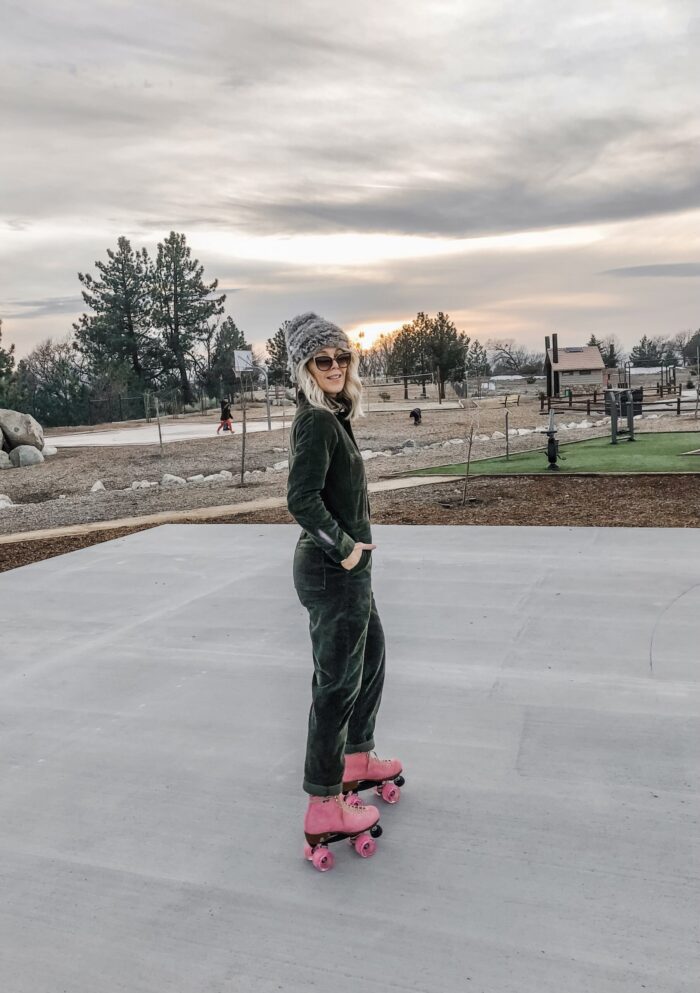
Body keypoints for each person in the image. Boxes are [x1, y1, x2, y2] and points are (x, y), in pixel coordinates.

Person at [285, 313, 402, 855]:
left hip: (349, 569)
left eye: (341, 357)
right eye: (321, 359)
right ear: (305, 367)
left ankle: (358, 756)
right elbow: (300, 499)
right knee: (335, 685)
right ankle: (323, 801)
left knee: (371, 655)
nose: (334, 367)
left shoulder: (335, 416)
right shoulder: (314, 420)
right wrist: (347, 547)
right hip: (334, 570)